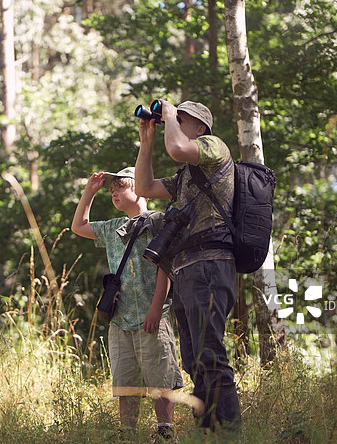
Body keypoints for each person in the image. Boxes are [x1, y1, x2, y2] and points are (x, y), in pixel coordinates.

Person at [134, 100, 241, 431]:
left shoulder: (213, 147)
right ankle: (207, 431)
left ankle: (230, 435)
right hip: (186, 271)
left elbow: (179, 148)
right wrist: (147, 140)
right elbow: (143, 188)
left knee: (211, 356)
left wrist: (167, 112)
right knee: (196, 361)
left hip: (210, 265)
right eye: (173, 117)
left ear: (200, 128)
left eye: (182, 118)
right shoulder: (184, 177)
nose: (174, 121)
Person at [71, 167, 183, 439]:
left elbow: (164, 267)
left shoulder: (158, 222)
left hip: (151, 315)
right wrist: (89, 192)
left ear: (138, 189)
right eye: (111, 191)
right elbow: (79, 226)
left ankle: (166, 432)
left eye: (120, 187)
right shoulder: (112, 228)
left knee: (161, 375)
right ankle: (128, 432)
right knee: (125, 380)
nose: (114, 194)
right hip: (120, 319)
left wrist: (156, 308)